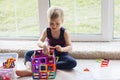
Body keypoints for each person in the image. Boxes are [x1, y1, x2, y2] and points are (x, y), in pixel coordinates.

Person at [16, 6, 77, 77]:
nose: (54, 26)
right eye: (51, 23)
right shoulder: (47, 30)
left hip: (61, 55)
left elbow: (70, 46)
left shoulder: (64, 32)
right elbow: (39, 41)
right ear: (48, 21)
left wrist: (62, 49)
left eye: (57, 24)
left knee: (72, 62)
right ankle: (29, 69)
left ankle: (45, 67)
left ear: (62, 21)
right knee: (28, 53)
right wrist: (43, 45)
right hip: (48, 53)